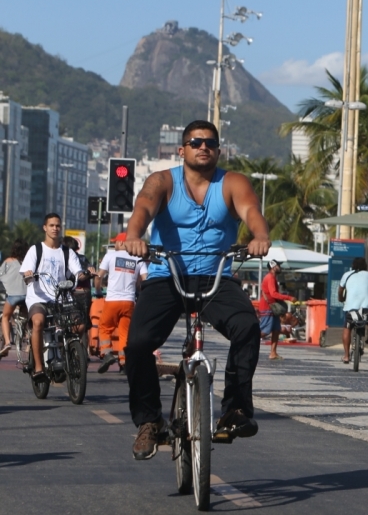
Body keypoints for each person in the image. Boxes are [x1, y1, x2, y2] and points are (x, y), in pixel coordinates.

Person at [120, 120, 270, 460]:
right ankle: (148, 421)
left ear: (219, 150)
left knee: (247, 326)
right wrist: (134, 235)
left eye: (211, 143)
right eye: (196, 141)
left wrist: (259, 236)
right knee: (138, 343)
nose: (204, 147)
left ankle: (236, 410)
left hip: (214, 276)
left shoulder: (232, 182)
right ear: (182, 148)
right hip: (166, 275)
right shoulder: (163, 181)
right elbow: (143, 207)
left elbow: (251, 212)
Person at [19, 214, 88, 383]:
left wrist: (85, 274)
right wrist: (28, 275)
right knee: (38, 322)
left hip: (61, 298)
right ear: (45, 227)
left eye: (57, 225)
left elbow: (78, 272)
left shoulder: (67, 252)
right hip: (38, 297)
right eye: (51, 225)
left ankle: (67, 352)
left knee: (79, 325)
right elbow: (26, 274)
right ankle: (38, 367)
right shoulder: (36, 250)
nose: (55, 228)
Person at [94, 233, 148, 374]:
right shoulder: (138, 258)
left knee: (105, 328)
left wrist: (98, 291)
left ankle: (107, 354)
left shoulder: (110, 256)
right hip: (129, 302)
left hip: (112, 300)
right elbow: (145, 279)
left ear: (122, 243)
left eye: (116, 242)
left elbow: (99, 277)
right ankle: (124, 364)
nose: (115, 245)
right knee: (125, 333)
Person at [338, 257, 368, 364]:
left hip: (350, 308)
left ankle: (346, 356)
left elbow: (340, 290)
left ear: (353, 265)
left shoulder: (347, 275)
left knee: (347, 328)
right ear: (365, 266)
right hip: (366, 308)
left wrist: (341, 299)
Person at [258, 259, 296, 361]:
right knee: (265, 331)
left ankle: (273, 353)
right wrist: (288, 298)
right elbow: (273, 293)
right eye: (279, 265)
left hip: (272, 308)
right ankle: (246, 341)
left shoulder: (272, 277)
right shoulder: (270, 278)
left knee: (276, 330)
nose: (280, 267)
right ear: (274, 266)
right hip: (268, 307)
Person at [0, 239, 28, 358]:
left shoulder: (8, 261)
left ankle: (7, 342)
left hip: (13, 296)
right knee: (29, 319)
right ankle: (30, 342)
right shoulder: (29, 262)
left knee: (5, 317)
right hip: (27, 296)